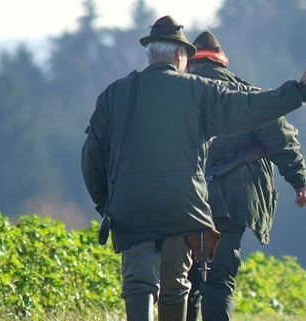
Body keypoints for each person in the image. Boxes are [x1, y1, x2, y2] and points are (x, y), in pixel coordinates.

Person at [81, 15, 306, 321]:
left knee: (139, 283)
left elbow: (92, 156)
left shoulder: (115, 94)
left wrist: (105, 202)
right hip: (184, 207)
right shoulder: (199, 91)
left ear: (150, 54)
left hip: (131, 204)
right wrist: (298, 91)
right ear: (180, 55)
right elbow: (250, 109)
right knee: (177, 286)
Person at [186, 31, 306, 321]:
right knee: (219, 282)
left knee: (184, 282)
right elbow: (281, 138)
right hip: (231, 204)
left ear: (189, 62)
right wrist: (299, 182)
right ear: (222, 63)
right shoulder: (244, 94)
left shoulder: (178, 95)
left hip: (184, 202)